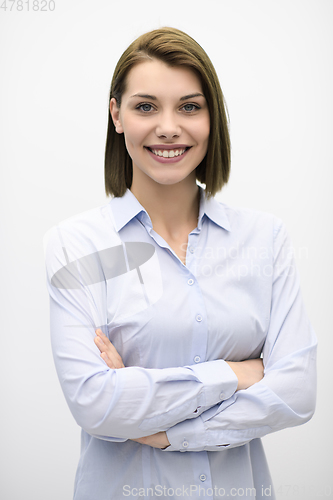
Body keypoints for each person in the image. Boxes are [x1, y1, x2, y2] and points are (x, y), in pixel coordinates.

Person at [43, 27, 317, 500]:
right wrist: (237, 373)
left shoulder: (265, 239)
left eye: (189, 106)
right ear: (117, 115)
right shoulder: (76, 245)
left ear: (212, 119)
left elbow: (296, 393)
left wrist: (165, 432)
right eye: (145, 106)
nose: (168, 127)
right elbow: (95, 404)